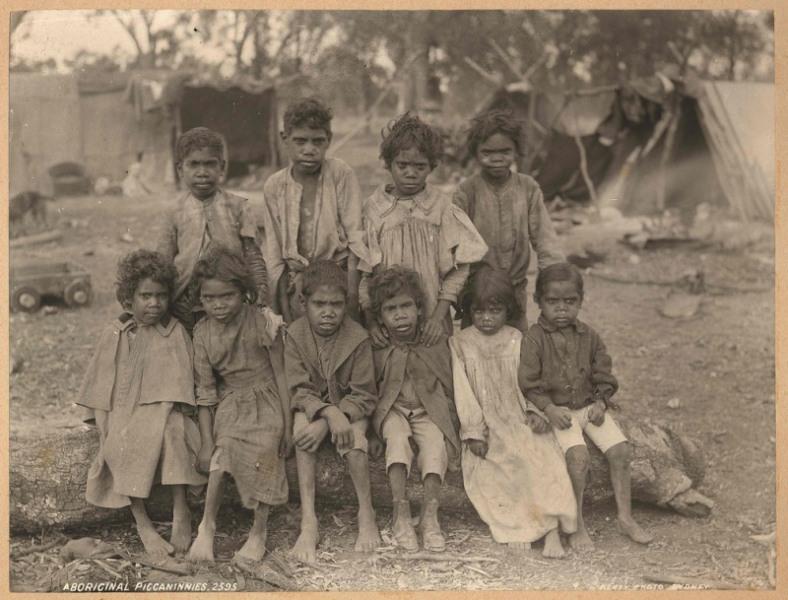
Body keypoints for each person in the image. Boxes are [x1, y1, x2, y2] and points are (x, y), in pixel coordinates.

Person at [77, 250, 206, 559]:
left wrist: (166, 410)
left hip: (165, 408)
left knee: (173, 431)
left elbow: (181, 386)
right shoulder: (116, 332)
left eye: (161, 296)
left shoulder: (173, 332)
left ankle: (181, 509)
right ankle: (142, 522)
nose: (154, 303)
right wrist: (106, 420)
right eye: (145, 296)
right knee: (119, 440)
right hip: (124, 410)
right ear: (129, 298)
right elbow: (100, 384)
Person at [520, 262, 654, 549]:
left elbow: (603, 372)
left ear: (581, 300)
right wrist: (548, 408)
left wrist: (601, 401)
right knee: (578, 458)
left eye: (570, 302)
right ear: (537, 301)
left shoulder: (589, 336)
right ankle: (576, 523)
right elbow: (528, 382)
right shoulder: (534, 339)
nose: (561, 309)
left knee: (620, 451)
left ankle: (626, 517)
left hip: (588, 407)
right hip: (561, 413)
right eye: (552, 302)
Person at [449, 265, 577, 558]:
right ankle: (526, 527)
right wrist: (472, 431)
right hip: (487, 422)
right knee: (500, 465)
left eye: (495, 310)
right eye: (479, 311)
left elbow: (532, 381)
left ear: (508, 309)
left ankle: (553, 531)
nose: (486, 318)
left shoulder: (517, 339)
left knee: (543, 455)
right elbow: (463, 392)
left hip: (518, 414)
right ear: (469, 310)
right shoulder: (460, 343)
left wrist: (535, 410)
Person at [186, 247, 290, 563]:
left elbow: (282, 373)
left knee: (266, 448)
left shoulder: (262, 321)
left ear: (244, 293)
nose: (218, 305)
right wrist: (206, 443)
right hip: (230, 401)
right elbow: (205, 393)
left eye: (227, 296)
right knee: (222, 453)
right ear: (200, 299)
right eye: (209, 298)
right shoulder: (202, 333)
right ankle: (207, 526)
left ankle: (258, 532)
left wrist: (287, 423)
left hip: (268, 397)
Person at [360, 112, 487, 348]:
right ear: (388, 164)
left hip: (431, 320)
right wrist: (372, 322)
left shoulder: (441, 208)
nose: (410, 172)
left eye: (419, 166)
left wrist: (438, 317)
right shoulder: (373, 209)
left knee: (434, 375)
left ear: (432, 166)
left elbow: (459, 269)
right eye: (403, 165)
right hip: (388, 322)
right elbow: (365, 274)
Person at [283, 260, 380, 563]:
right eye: (319, 304)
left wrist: (334, 419)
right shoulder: (296, 335)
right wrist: (326, 414)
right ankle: (309, 519)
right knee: (301, 431)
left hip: (351, 409)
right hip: (315, 408)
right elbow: (299, 389)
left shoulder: (358, 337)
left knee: (354, 443)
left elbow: (364, 394)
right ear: (303, 303)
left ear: (346, 304)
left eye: (336, 304)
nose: (328, 312)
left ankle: (367, 511)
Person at [367, 266, 460, 552]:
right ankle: (401, 513)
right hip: (393, 410)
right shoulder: (378, 347)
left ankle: (430, 516)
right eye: (390, 309)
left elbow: (449, 386)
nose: (400, 314)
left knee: (435, 445)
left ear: (420, 309)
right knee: (396, 440)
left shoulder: (434, 342)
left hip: (425, 410)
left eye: (406, 306)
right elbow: (370, 391)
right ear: (380, 317)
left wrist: (452, 424)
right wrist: (372, 431)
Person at [259, 97, 369, 322]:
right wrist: (280, 304)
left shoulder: (340, 174)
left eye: (317, 141)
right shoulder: (275, 185)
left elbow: (356, 236)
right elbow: (274, 251)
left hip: (337, 281)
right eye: (300, 141)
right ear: (285, 139)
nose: (309, 150)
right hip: (297, 284)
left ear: (329, 140)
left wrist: (352, 295)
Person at [454, 109, 564, 332]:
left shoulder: (528, 188)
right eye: (487, 152)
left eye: (505, 151)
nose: (496, 158)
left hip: (515, 289)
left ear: (517, 151)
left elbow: (545, 240)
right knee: (474, 350)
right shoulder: (467, 191)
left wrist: (554, 281)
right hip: (478, 292)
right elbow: (453, 244)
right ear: (475, 153)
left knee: (517, 349)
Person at [157, 127, 268, 332]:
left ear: (222, 167)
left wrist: (260, 292)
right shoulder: (173, 211)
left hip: (230, 297)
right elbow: (163, 261)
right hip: (184, 300)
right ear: (180, 169)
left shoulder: (238, 206)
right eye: (194, 165)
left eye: (209, 164)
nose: (202, 172)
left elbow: (253, 254)